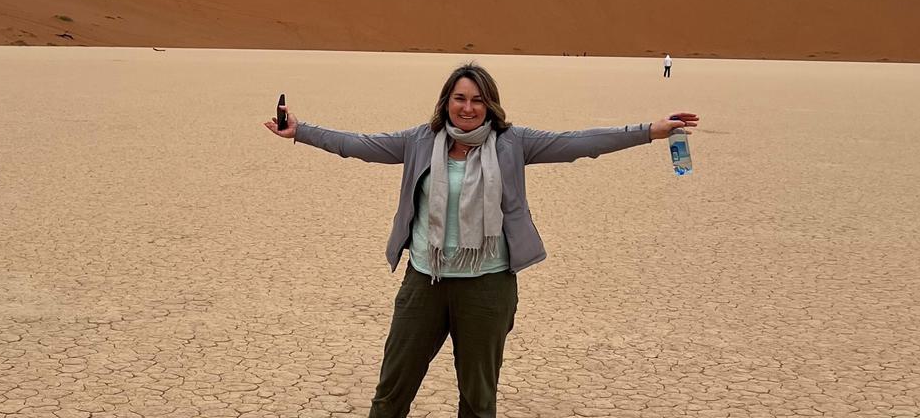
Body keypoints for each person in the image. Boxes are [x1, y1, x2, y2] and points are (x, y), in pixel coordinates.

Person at [264, 62, 699, 418]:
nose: (468, 108)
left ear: (490, 104)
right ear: (446, 102)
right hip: (425, 282)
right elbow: (356, 144)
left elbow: (580, 142)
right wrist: (302, 130)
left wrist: (650, 130)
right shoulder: (420, 140)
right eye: (459, 98)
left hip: (488, 287)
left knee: (477, 399)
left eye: (477, 100)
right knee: (391, 393)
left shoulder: (513, 142)